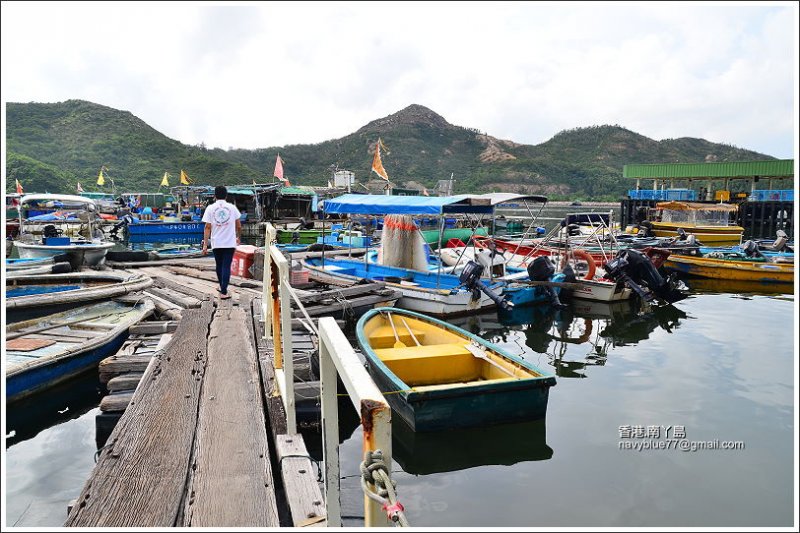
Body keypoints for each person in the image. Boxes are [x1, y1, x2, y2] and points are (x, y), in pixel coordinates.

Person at [202, 185, 242, 299]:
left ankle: (222, 288)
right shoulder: (232, 208)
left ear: (214, 196)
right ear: (226, 195)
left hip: (216, 242)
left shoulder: (210, 208)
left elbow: (207, 227)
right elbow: (239, 226)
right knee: (226, 266)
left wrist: (205, 244)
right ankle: (224, 290)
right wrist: (238, 237)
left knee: (219, 265)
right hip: (229, 243)